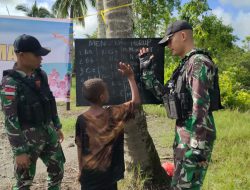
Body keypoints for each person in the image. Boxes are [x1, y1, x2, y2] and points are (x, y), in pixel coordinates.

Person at [139, 20, 222, 189]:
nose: (169, 45)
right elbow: (165, 96)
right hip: (184, 137)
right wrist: (146, 71)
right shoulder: (185, 65)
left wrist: (196, 146)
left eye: (170, 40)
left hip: (194, 139)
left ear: (183, 35)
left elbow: (201, 106)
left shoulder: (198, 63)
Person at [1, 34, 65, 190]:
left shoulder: (41, 75)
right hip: (26, 140)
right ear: (21, 55)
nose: (41, 59)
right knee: (24, 182)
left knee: (58, 171)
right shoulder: (10, 83)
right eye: (37, 55)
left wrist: (56, 126)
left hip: (48, 132)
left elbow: (49, 100)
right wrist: (19, 151)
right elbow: (10, 119)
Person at [75, 62, 141, 190]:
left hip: (88, 175)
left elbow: (79, 147)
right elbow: (136, 102)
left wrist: (80, 170)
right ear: (102, 96)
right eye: (106, 89)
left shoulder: (81, 120)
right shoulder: (113, 114)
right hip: (108, 174)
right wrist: (130, 78)